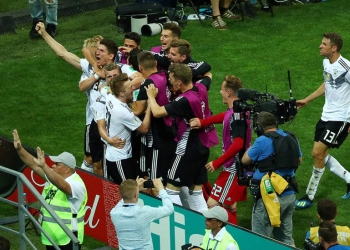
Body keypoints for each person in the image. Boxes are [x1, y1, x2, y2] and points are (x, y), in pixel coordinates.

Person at [145, 63, 218, 212]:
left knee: (171, 189)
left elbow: (158, 112)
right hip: (203, 146)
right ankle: (204, 227)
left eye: (171, 79)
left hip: (187, 148)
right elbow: (208, 76)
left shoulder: (184, 101)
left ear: (179, 82)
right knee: (196, 192)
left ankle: (178, 226)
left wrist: (151, 96)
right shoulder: (201, 87)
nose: (169, 82)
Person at [295, 32, 350, 209]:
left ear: (334, 48)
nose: (320, 46)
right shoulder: (326, 62)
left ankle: (310, 195)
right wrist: (307, 99)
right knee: (319, 154)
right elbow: (327, 84)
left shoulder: (346, 68)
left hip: (341, 117)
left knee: (317, 153)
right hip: (326, 115)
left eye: (324, 44)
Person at [190, 75, 251, 225]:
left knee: (213, 203)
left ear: (229, 92)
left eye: (222, 89)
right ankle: (233, 228)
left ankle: (233, 231)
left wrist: (217, 162)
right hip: (236, 165)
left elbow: (237, 144)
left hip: (233, 167)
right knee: (229, 204)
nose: (220, 92)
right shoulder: (238, 109)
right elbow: (226, 116)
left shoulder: (237, 115)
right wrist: (204, 122)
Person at [13, 130, 87, 250]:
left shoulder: (77, 185)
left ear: (66, 169)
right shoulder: (55, 177)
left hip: (67, 238)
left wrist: (44, 166)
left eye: (57, 164)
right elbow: (34, 165)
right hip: (51, 235)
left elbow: (62, 186)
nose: (53, 166)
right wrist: (19, 149)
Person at [241, 111, 302, 246]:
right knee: (285, 240)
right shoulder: (291, 137)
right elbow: (299, 160)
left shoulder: (263, 140)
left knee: (260, 242)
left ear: (259, 128)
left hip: (270, 198)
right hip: (289, 194)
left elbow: (245, 160)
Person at [104, 74, 151, 184]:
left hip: (116, 154)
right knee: (130, 192)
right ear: (121, 93)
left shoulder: (110, 97)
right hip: (120, 158)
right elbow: (144, 129)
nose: (133, 88)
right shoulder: (123, 112)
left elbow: (103, 88)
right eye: (130, 87)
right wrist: (150, 104)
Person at [110, 178, 174, 250]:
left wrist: (134, 190)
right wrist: (161, 190)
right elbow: (169, 208)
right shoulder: (144, 213)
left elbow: (125, 198)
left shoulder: (114, 213)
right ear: (135, 194)